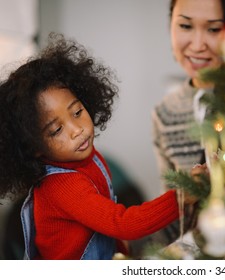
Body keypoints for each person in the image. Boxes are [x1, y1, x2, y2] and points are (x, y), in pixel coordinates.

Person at [0, 33, 195, 260]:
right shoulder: (63, 187)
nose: (77, 129)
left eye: (77, 112)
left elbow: (105, 223)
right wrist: (181, 196)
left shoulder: (88, 157)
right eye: (56, 130)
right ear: (34, 146)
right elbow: (122, 223)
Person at [152, 0, 225, 191]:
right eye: (185, 26)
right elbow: (171, 206)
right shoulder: (165, 113)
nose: (197, 45)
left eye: (213, 29)